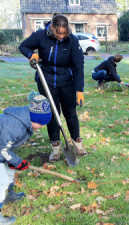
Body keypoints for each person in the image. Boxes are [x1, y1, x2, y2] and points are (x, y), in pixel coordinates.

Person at [18, 14, 87, 162]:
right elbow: (23, 46)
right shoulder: (40, 36)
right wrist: (31, 54)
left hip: (67, 81)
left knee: (70, 113)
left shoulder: (72, 41)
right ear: (52, 28)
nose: (61, 36)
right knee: (53, 115)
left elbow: (78, 66)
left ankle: (78, 144)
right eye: (58, 33)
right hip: (46, 80)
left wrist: (79, 90)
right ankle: (55, 148)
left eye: (64, 33)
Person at [0, 91, 52, 224]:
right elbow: (3, 149)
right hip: (1, 149)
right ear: (34, 119)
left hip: (2, 149)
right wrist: (17, 161)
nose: (43, 126)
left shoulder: (23, 119)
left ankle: (8, 195)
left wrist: (13, 163)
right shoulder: (14, 127)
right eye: (42, 123)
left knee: (9, 171)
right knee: (2, 182)